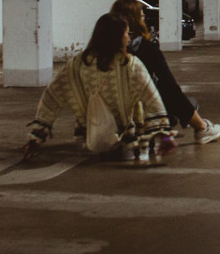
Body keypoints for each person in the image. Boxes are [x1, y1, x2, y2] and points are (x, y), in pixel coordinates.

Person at [23, 13, 177, 160]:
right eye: (126, 33)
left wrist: (36, 137)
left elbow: (52, 97)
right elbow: (151, 98)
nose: (128, 38)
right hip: (124, 136)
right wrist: (164, 135)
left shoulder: (76, 65)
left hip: (91, 133)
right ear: (117, 37)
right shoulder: (130, 65)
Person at [109, 0, 220, 144]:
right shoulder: (145, 48)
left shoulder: (102, 51)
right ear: (136, 20)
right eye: (142, 16)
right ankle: (201, 127)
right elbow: (169, 84)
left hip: (108, 107)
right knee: (168, 90)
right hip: (142, 109)